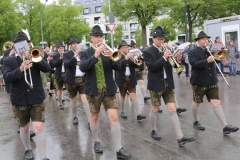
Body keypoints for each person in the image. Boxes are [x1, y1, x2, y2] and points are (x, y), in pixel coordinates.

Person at [80, 25, 131, 159]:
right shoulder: (86, 52)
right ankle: (96, 141)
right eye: (96, 36)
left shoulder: (109, 51)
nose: (99, 39)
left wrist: (111, 59)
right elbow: (83, 68)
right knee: (95, 117)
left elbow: (119, 67)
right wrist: (95, 55)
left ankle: (119, 148)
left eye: (101, 36)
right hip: (93, 90)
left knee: (114, 117)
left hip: (109, 89)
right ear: (91, 38)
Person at [3, 31, 51, 160]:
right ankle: (28, 148)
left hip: (36, 97)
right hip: (19, 99)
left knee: (38, 126)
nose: (22, 46)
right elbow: (7, 77)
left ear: (28, 44)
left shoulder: (35, 56)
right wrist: (20, 69)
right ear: (14, 45)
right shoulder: (8, 60)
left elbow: (47, 68)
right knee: (24, 128)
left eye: (25, 43)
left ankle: (43, 156)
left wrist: (34, 59)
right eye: (19, 44)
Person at [143, 26, 195, 146]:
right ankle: (153, 129)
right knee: (155, 108)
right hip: (156, 84)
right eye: (159, 39)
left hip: (168, 83)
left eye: (162, 39)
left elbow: (175, 66)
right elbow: (152, 67)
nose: (161, 41)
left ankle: (180, 137)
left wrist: (177, 58)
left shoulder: (167, 49)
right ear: (153, 39)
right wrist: (164, 57)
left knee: (172, 109)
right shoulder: (148, 51)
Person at [188, 31, 239, 135]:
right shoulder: (193, 51)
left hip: (212, 81)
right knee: (197, 102)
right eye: (203, 39)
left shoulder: (210, 50)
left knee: (217, 103)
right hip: (199, 81)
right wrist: (207, 60)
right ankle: (196, 121)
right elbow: (194, 64)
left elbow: (218, 61)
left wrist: (217, 54)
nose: (205, 41)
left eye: (206, 39)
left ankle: (225, 126)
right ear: (198, 41)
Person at [116, 40, 146, 120]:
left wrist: (139, 57)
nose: (126, 49)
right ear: (120, 49)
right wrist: (126, 58)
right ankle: (122, 111)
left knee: (133, 95)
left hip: (131, 78)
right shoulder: (117, 55)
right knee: (122, 96)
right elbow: (117, 66)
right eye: (125, 47)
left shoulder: (131, 55)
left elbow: (138, 64)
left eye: (127, 47)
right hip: (122, 79)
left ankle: (139, 114)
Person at [63, 38, 91, 126]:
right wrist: (75, 56)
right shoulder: (67, 54)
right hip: (71, 80)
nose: (76, 45)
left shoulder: (83, 53)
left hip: (83, 79)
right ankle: (75, 116)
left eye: (77, 44)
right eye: (74, 44)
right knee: (73, 99)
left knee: (85, 99)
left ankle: (90, 121)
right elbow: (67, 64)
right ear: (70, 45)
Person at [52, 42, 66, 109]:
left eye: (62, 48)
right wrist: (59, 59)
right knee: (59, 89)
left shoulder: (67, 54)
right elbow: (53, 64)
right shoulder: (55, 55)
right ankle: (60, 103)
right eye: (60, 48)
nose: (61, 49)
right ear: (58, 49)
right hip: (59, 74)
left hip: (66, 74)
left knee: (69, 88)